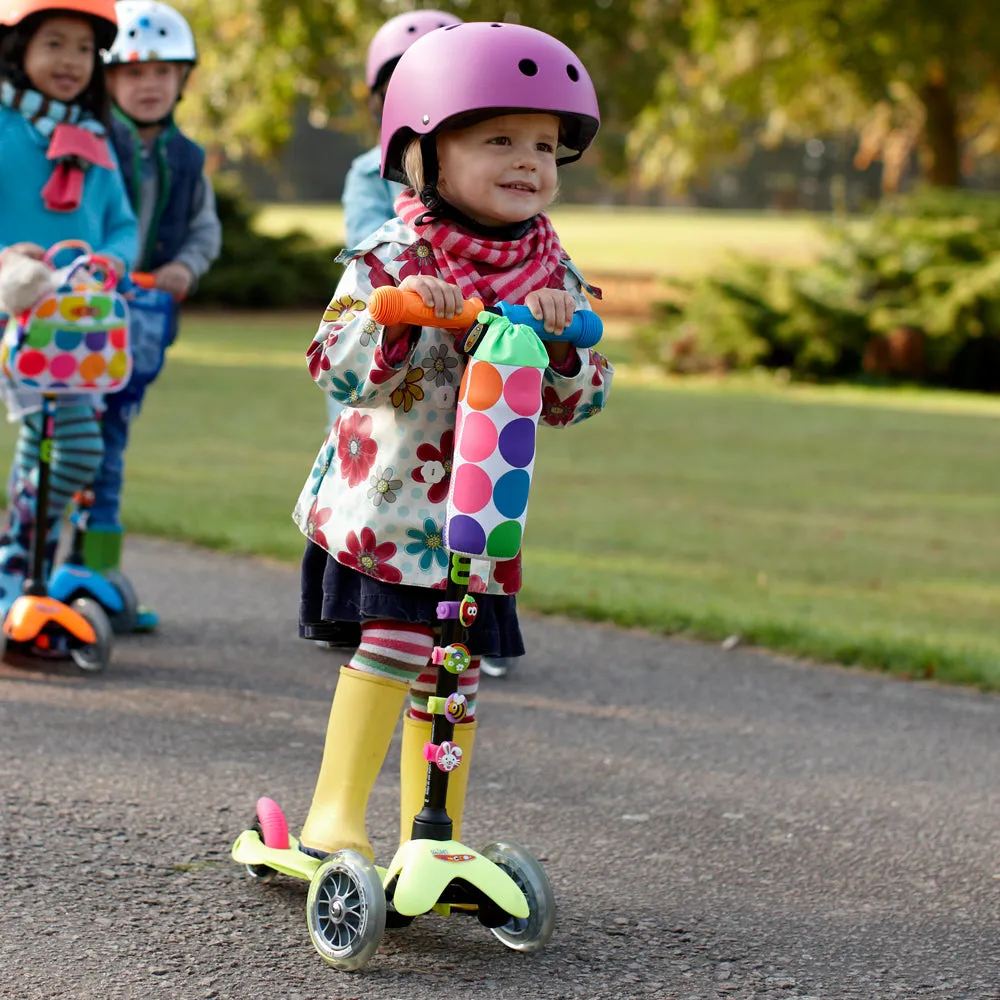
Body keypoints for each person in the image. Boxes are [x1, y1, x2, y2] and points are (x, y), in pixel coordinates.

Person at [290, 21, 614, 861]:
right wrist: (401, 315)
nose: (527, 161)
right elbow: (333, 362)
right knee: (397, 646)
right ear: (423, 155)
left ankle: (432, 836)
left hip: (483, 521)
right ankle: (333, 813)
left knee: (457, 672)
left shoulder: (554, 274)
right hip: (390, 514)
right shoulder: (393, 254)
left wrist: (567, 344)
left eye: (544, 145)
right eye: (498, 139)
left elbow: (577, 402)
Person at [85, 0, 220, 630]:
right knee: (61, 448)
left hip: (141, 318)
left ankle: (94, 571)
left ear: (183, 82)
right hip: (79, 315)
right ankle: (31, 569)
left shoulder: (189, 159)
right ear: (108, 80)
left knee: (110, 448)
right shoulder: (85, 142)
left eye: (165, 73)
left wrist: (185, 270)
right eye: (135, 73)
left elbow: (203, 230)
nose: (149, 85)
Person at [0, 0, 138, 613]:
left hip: (74, 328)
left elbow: (122, 225)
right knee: (63, 445)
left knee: (55, 447)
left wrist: (112, 259)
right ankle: (15, 564)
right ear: (18, 49)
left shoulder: (93, 139)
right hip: (13, 313)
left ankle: (17, 572)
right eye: (54, 43)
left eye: (84, 49)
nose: (71, 61)